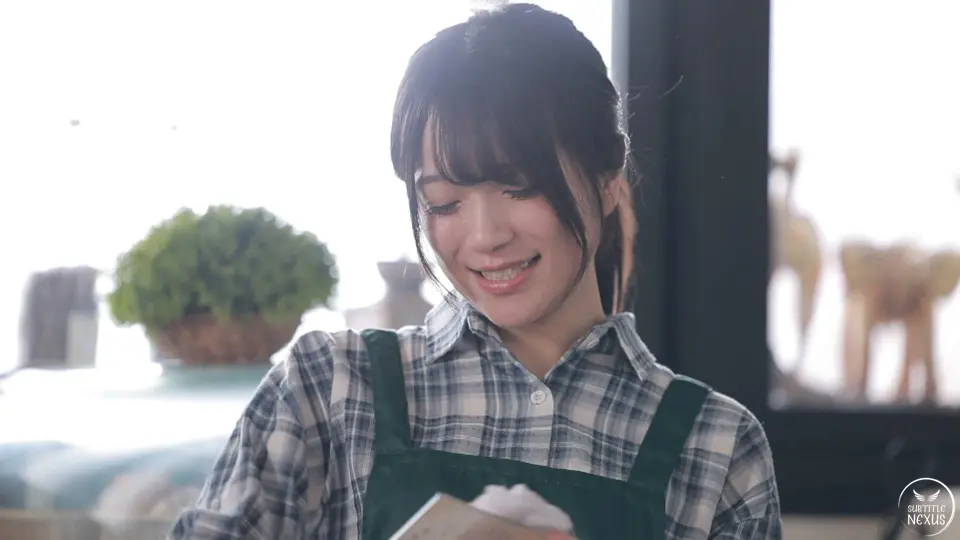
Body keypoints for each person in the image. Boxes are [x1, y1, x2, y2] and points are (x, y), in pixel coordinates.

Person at [168, 4, 782, 539]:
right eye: (443, 202)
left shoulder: (717, 447)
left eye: (520, 187)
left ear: (606, 183)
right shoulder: (327, 389)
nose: (486, 236)